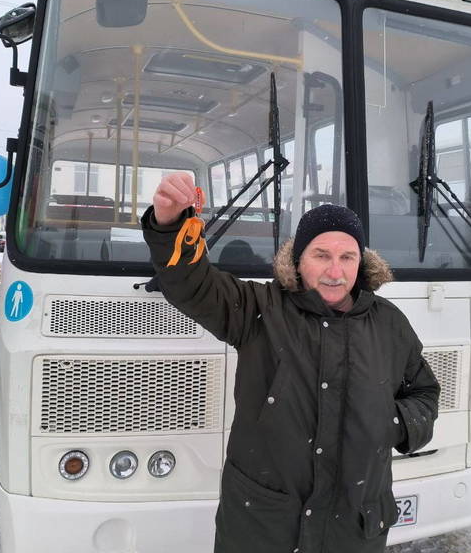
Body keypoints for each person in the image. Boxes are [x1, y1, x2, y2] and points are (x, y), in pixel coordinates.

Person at [141, 172, 440, 553]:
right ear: (298, 261)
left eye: (347, 257)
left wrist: (392, 421)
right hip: (264, 524)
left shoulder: (388, 322)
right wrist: (169, 224)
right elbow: (191, 282)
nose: (336, 271)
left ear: (361, 262)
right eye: (321, 255)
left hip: (353, 528)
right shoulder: (258, 309)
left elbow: (424, 393)